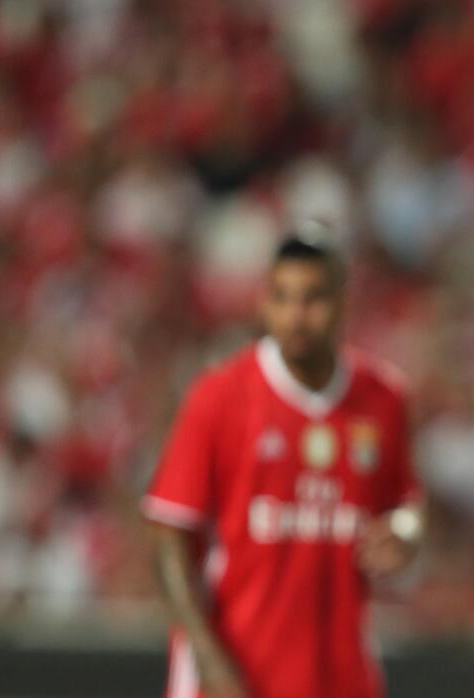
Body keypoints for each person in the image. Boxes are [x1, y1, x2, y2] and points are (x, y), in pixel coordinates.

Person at [143, 235, 423, 698]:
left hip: (341, 674)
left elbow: (406, 502)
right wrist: (206, 655)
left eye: (312, 299)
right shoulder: (219, 397)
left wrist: (408, 530)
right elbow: (168, 535)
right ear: (264, 302)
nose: (295, 315)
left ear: (342, 302)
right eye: (281, 297)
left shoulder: (383, 398)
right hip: (235, 675)